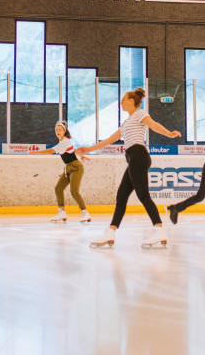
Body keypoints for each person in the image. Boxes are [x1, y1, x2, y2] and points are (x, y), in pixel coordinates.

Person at [77, 87, 182, 249]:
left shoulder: (140, 114)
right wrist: (88, 149)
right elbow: (110, 139)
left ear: (131, 101)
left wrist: (168, 134)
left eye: (123, 100)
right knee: (121, 196)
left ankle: (159, 229)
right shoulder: (126, 122)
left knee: (143, 195)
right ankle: (111, 232)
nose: (121, 102)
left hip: (139, 155)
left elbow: (153, 125)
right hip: (133, 158)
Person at [32, 121, 91, 224]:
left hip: (76, 168)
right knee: (58, 188)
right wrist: (81, 156)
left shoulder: (65, 141)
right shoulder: (64, 142)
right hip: (68, 168)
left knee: (74, 191)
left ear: (64, 131)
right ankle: (61, 212)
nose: (58, 131)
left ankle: (85, 213)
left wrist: (36, 152)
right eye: (56, 130)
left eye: (60, 130)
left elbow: (51, 151)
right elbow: (74, 150)